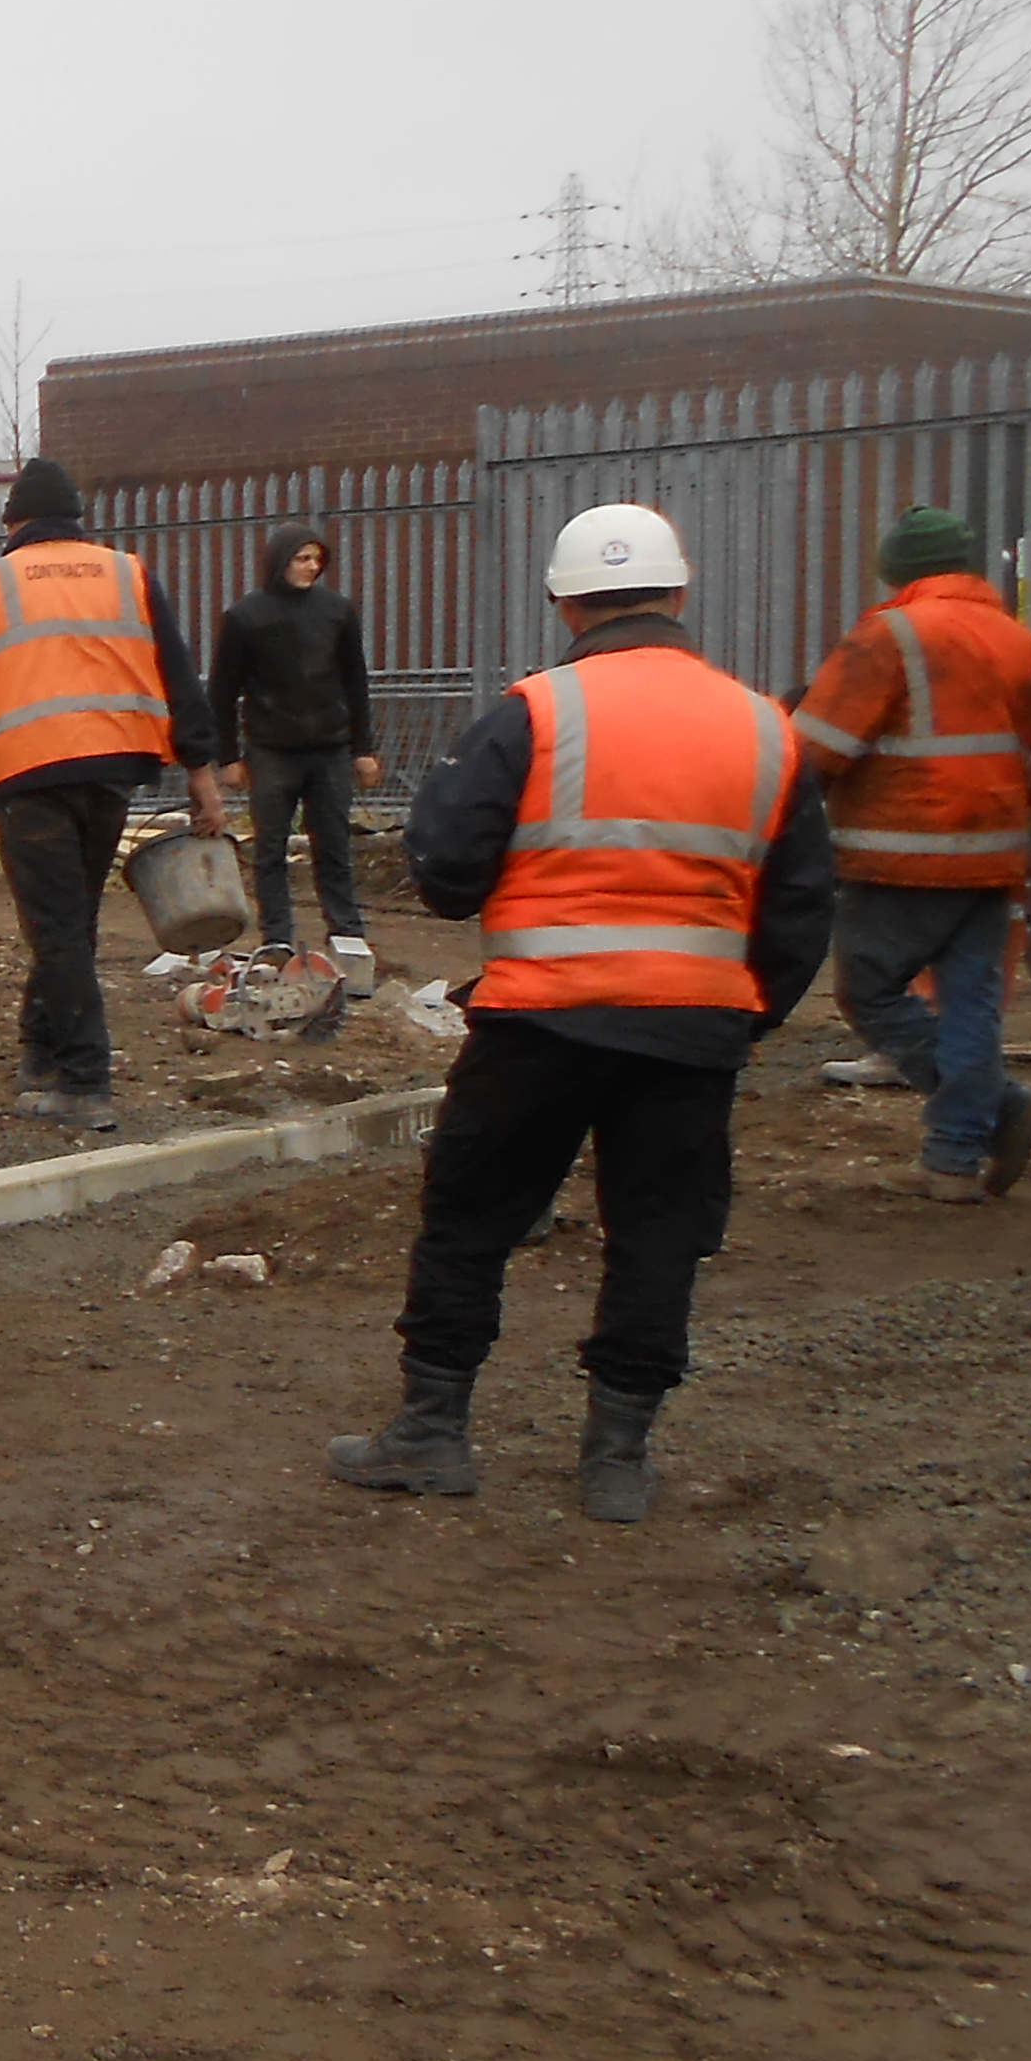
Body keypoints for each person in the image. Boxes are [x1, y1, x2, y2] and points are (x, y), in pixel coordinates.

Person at [327, 502, 832, 1523]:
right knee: (657, 1235)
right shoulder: (767, 728)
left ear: (563, 603)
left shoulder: (533, 714)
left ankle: (431, 1433)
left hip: (540, 1023)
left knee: (470, 1219)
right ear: (681, 595)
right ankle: (617, 1462)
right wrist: (744, 1017)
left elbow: (445, 870)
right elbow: (803, 905)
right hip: (690, 1032)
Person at [0, 457, 228, 1133]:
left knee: (57, 930)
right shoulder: (128, 575)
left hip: (30, 776)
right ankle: (40, 1058)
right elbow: (180, 673)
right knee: (71, 925)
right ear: (76, 519)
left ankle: (85, 1080)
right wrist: (201, 773)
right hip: (111, 770)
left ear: (14, 522)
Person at [789, 504, 1031, 1203]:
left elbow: (818, 750)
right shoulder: (1019, 639)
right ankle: (953, 1160)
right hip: (995, 855)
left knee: (870, 992)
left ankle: (1000, 1109)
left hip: (901, 852)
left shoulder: (890, 636)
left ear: (895, 569)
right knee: (970, 1001)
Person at [209, 523, 381, 967]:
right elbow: (223, 693)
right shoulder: (245, 618)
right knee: (270, 849)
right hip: (271, 751)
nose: (312, 566)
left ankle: (346, 934)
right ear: (280, 561)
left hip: (329, 749)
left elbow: (354, 682)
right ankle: (278, 940)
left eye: (316, 558)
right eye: (302, 558)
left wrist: (363, 748)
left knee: (334, 846)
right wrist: (228, 757)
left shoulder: (337, 612)